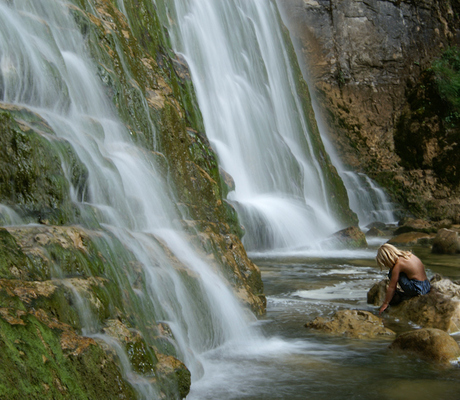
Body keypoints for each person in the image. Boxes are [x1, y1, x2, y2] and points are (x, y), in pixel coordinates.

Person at [376, 243, 430, 315]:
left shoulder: (399, 265)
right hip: (426, 285)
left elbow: (392, 287)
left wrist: (385, 304)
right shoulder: (408, 255)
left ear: (387, 259)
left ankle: (398, 295)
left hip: (417, 289)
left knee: (392, 273)